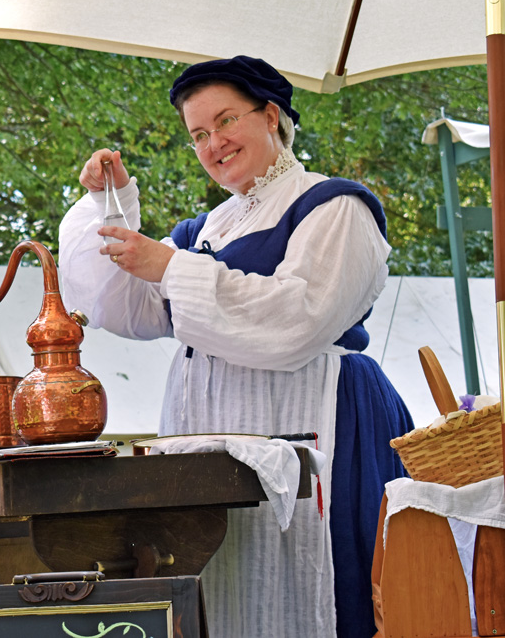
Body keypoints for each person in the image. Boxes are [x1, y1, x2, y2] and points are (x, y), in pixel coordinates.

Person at [58, 55, 413, 638]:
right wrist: (112, 204)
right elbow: (131, 312)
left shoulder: (334, 206)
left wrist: (172, 268)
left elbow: (299, 318)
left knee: (322, 588)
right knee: (229, 591)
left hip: (319, 422)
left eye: (225, 121)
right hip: (216, 431)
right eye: (199, 133)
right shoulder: (205, 230)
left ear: (271, 114)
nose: (214, 142)